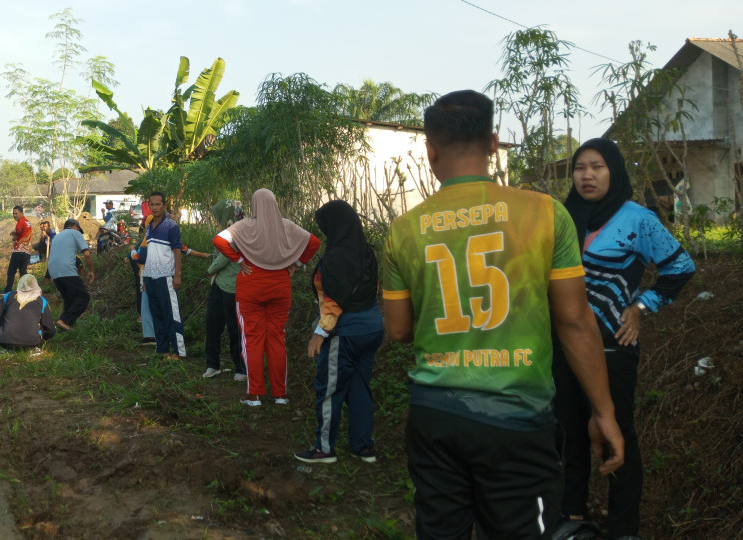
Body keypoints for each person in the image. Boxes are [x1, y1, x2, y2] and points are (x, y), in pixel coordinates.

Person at [380, 90, 624, 538]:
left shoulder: (403, 229)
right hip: (517, 421)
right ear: (493, 142)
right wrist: (603, 412)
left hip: (435, 415)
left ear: (430, 150)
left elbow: (397, 330)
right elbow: (574, 322)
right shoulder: (544, 214)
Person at [550, 138, 695, 540]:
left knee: (618, 432)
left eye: (597, 166)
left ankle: (623, 529)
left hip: (612, 346)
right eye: (580, 167)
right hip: (561, 344)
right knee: (568, 432)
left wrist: (641, 305)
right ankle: (572, 519)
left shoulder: (638, 219)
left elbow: (681, 267)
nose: (587, 175)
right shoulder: (562, 217)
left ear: (613, 171)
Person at [294, 200, 385, 465]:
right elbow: (372, 288)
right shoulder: (366, 252)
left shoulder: (333, 260)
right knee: (359, 388)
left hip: (344, 333)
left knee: (330, 390)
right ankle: (363, 447)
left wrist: (319, 334)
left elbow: (333, 304)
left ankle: (324, 449)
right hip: (372, 328)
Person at [213, 188, 319, 406]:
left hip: (251, 285)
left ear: (254, 205)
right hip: (280, 286)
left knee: (252, 339)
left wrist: (239, 260)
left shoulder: (244, 225)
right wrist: (295, 265)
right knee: (277, 338)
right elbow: (314, 243)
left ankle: (255, 394)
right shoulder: (287, 225)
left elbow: (219, 240)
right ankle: (280, 394)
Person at [140, 192, 186, 358]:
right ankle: (162, 350)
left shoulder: (171, 225)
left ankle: (179, 352)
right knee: (157, 315)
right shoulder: (149, 226)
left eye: (158, 204)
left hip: (166, 277)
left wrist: (177, 275)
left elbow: (177, 251)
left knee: (171, 315)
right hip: (150, 278)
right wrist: (145, 276)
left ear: (164, 206)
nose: (154, 207)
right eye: (152, 204)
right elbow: (150, 253)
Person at [203, 200, 245, 380]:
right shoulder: (226, 232)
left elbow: (225, 257)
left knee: (234, 329)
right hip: (220, 285)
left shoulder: (238, 232)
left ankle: (241, 368)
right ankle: (212, 364)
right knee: (212, 325)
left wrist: (210, 270)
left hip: (234, 287)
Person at [0, 275, 57, 350]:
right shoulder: (42, 300)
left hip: (5, 342)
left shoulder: (8, 296)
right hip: (32, 343)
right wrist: (43, 339)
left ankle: (4, 335)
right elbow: (51, 330)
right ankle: (34, 345)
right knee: (42, 321)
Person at [47, 219, 95, 330]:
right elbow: (87, 254)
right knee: (83, 297)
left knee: (69, 299)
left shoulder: (57, 237)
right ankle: (63, 321)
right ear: (75, 226)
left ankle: (63, 325)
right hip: (66, 269)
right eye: (79, 229)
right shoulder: (75, 233)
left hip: (53, 271)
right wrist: (91, 271)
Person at [4, 206, 33, 293]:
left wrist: (13, 236)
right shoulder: (27, 222)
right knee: (23, 271)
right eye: (13, 213)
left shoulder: (20, 222)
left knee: (11, 271)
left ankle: (8, 290)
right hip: (27, 251)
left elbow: (16, 235)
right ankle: (26, 290)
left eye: (16, 213)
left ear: (22, 213)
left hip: (19, 250)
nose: (14, 215)